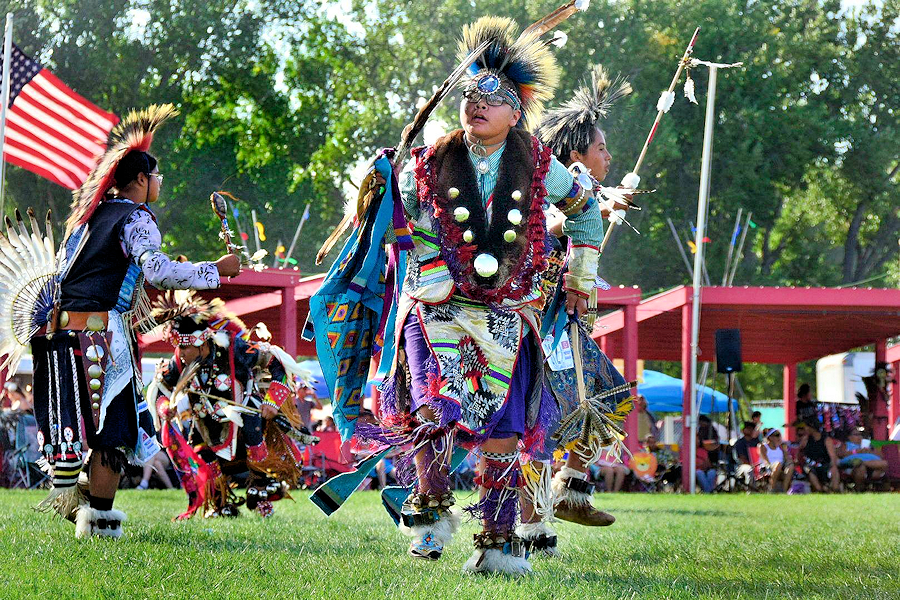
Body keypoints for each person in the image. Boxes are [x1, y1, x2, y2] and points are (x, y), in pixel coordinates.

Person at [353, 17, 602, 576]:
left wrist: (581, 278)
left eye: (491, 97)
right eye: (469, 95)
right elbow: (404, 222)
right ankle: (428, 524)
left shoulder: (542, 164)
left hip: (506, 316)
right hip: (437, 307)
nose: (476, 105)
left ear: (516, 110)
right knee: (431, 411)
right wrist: (418, 239)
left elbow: (586, 209)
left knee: (505, 431)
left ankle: (496, 544)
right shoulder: (427, 161)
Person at [25, 106, 240, 539]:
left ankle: (81, 500)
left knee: (89, 426)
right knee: (113, 431)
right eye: (157, 177)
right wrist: (216, 269)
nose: (159, 185)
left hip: (61, 336)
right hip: (101, 339)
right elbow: (157, 271)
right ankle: (98, 523)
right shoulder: (135, 217)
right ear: (140, 180)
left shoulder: (85, 221)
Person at [515, 64, 635, 554]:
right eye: (601, 147)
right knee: (546, 420)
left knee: (605, 398)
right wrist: (592, 212)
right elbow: (545, 222)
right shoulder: (553, 184)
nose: (609, 155)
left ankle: (571, 490)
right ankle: (538, 521)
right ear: (575, 155)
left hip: (565, 322)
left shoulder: (579, 186)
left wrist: (602, 207)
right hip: (541, 322)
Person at [151, 292, 315, 519]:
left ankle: (260, 497)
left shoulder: (233, 348)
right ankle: (219, 504)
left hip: (247, 418)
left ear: (201, 343)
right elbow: (161, 388)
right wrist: (165, 407)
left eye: (185, 348)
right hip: (205, 422)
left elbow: (277, 363)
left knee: (255, 441)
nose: (181, 354)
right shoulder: (180, 360)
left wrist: (272, 401)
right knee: (204, 454)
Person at [797, 422, 840, 492]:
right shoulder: (806, 440)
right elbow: (799, 452)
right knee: (810, 470)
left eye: (807, 427)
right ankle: (820, 490)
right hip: (810, 465)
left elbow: (832, 456)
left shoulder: (826, 440)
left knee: (834, 470)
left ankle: (835, 490)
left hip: (824, 464)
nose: (805, 429)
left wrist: (833, 466)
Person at [759, 428, 794, 493]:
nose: (779, 437)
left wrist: (787, 454)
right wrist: (770, 466)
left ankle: (784, 490)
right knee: (778, 464)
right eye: (777, 435)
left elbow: (787, 458)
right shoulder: (763, 446)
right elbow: (765, 460)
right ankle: (772, 488)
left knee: (791, 466)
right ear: (770, 437)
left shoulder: (781, 447)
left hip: (781, 467)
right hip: (768, 467)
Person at [696, 415, 720, 493]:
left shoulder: (711, 429)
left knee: (711, 473)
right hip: (697, 469)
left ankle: (709, 491)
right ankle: (709, 491)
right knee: (699, 473)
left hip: (711, 455)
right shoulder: (701, 430)